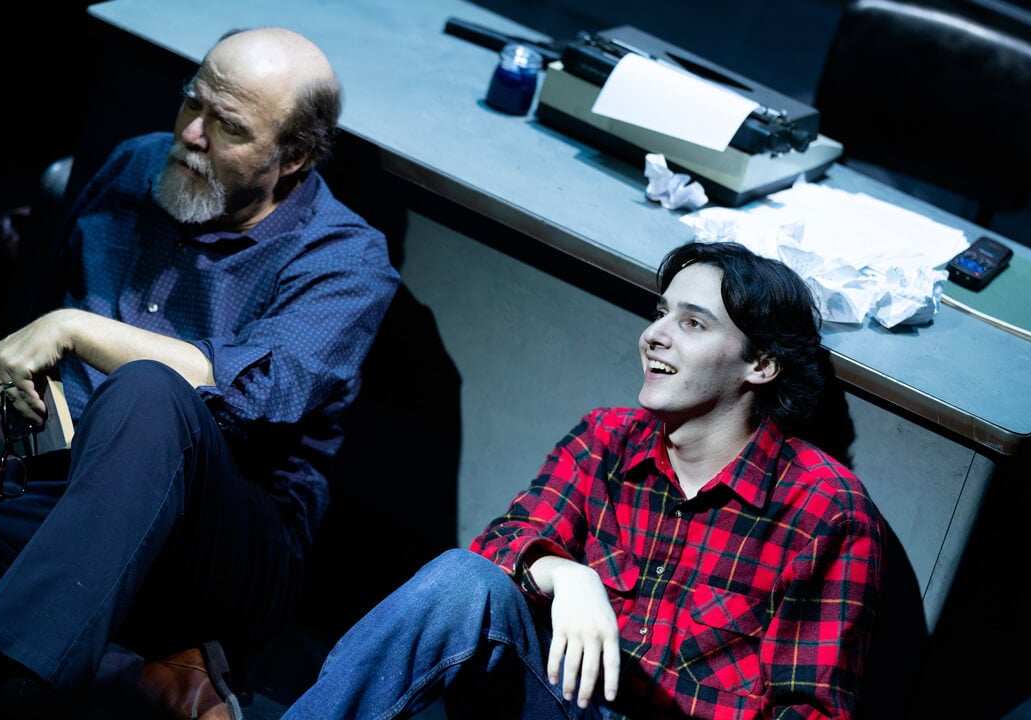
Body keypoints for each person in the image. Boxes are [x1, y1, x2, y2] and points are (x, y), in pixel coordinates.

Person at [0, 26, 398, 720]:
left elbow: (249, 394)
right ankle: (136, 683)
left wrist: (78, 330)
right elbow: (36, 345)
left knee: (146, 391)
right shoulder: (136, 166)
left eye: (227, 127)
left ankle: (29, 687)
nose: (192, 135)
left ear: (296, 157)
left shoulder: (345, 261)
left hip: (216, 549)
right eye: (191, 104)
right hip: (70, 503)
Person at [279, 241, 885, 720]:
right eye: (660, 313)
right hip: (565, 706)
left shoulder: (824, 510)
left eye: (694, 324)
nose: (655, 334)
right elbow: (503, 544)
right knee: (463, 581)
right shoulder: (607, 439)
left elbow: (810, 711)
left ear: (761, 364)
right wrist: (564, 574)